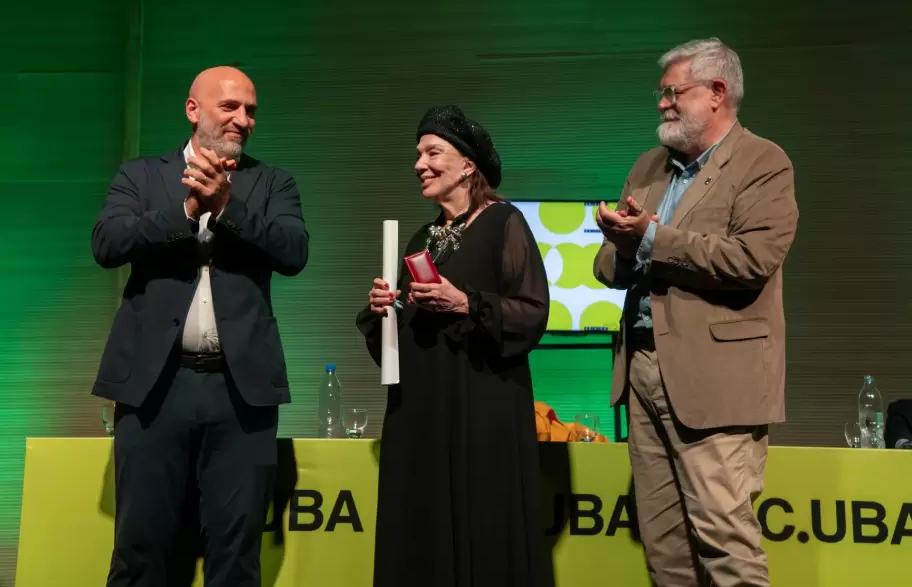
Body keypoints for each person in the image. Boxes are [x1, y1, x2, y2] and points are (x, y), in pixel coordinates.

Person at [91, 66, 309, 587]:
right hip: (154, 389)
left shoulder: (272, 182)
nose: (243, 119)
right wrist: (188, 209)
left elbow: (293, 252)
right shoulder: (141, 176)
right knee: (140, 550)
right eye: (230, 107)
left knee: (236, 557)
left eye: (251, 110)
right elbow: (107, 244)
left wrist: (228, 206)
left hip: (240, 393)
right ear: (194, 110)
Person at [592, 38, 798, 587]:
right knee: (665, 549)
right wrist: (623, 240)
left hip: (715, 379)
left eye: (672, 92)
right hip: (642, 370)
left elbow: (753, 259)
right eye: (660, 93)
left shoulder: (763, 162)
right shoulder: (649, 166)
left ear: (716, 92)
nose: (661, 103)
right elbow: (607, 266)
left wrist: (653, 239)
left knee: (725, 542)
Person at [357, 105, 552, 587]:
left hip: (479, 405)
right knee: (421, 525)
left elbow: (532, 312)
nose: (419, 164)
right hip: (422, 409)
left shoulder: (505, 222)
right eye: (417, 154)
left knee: (479, 519)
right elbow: (404, 335)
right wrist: (388, 310)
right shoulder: (425, 237)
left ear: (468, 165)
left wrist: (465, 302)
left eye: (432, 152)